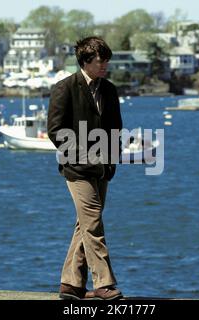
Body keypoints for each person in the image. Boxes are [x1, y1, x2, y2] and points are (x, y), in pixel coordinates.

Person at [47, 37, 123, 300]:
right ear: (85, 61)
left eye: (106, 60)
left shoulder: (110, 90)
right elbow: (56, 131)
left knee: (85, 225)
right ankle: (103, 283)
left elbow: (116, 129)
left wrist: (112, 160)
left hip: (103, 169)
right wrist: (83, 157)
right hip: (76, 169)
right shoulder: (64, 88)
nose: (105, 66)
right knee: (92, 224)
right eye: (101, 61)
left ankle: (70, 284)